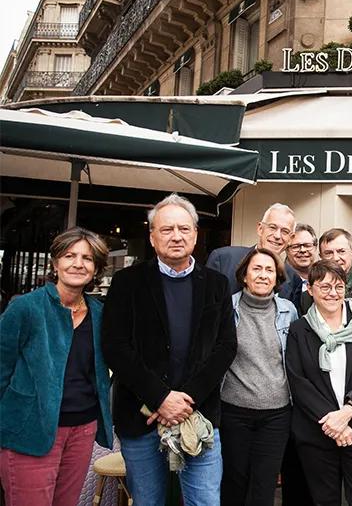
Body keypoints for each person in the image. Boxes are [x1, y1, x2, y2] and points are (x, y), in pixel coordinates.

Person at [102, 193, 237, 505]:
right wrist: (160, 397)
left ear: (195, 233)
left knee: (204, 500)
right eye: (166, 229)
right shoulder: (126, 282)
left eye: (184, 228)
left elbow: (226, 346)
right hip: (142, 417)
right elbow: (115, 346)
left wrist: (185, 400)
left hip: (199, 415)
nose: (176, 236)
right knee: (148, 501)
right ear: (152, 237)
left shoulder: (217, 284)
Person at [0, 227, 113, 506]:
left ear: (96, 267)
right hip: (29, 429)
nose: (78, 264)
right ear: (55, 263)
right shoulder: (25, 308)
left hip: (82, 430)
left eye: (87, 258)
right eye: (69, 255)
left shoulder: (101, 314)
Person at [285, 260, 352, 506]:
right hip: (317, 432)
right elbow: (298, 381)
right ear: (310, 290)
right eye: (325, 287)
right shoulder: (299, 329)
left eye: (339, 287)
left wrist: (348, 411)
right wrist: (333, 422)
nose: (333, 293)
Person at [221, 248, 298, 506]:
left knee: (264, 486)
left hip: (277, 415)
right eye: (257, 269)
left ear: (277, 278)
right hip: (234, 411)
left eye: (270, 271)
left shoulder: (288, 311)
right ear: (244, 275)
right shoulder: (226, 308)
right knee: (233, 482)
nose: (263, 275)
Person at [207, 202, 297, 297]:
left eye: (285, 231)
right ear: (260, 229)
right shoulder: (223, 260)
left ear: (291, 239)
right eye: (272, 228)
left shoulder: (292, 278)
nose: (277, 236)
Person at [284, 223, 318, 309]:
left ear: (315, 247)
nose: (302, 250)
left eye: (307, 245)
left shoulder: (324, 278)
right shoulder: (278, 280)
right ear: (286, 250)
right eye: (296, 246)